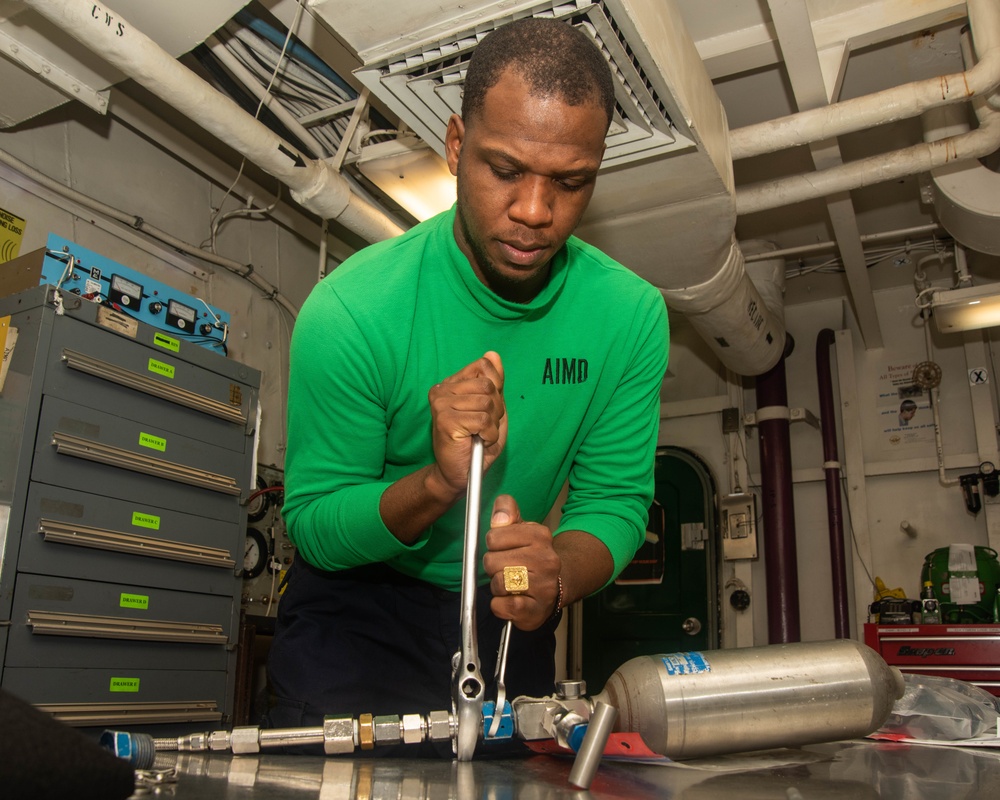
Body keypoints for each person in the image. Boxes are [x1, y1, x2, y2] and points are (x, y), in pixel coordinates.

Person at [266, 17, 670, 755]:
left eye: (571, 182)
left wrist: (552, 579)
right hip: (359, 611)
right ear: (455, 147)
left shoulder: (630, 317)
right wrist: (436, 482)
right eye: (506, 169)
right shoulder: (354, 309)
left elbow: (612, 502)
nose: (535, 211)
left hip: (510, 608)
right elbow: (317, 526)